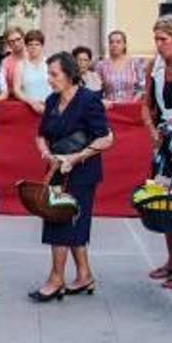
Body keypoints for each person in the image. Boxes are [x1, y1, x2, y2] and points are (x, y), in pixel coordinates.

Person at [29, 52, 113, 302]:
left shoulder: (89, 100)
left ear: (69, 74)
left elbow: (105, 138)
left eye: (54, 74)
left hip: (82, 172)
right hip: (55, 170)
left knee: (62, 221)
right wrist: (45, 153)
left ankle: (56, 279)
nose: (50, 79)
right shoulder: (52, 100)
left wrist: (75, 158)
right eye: (49, 74)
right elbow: (41, 134)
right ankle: (84, 275)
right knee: (70, 222)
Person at [141, 16, 172, 288]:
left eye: (164, 40)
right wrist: (151, 128)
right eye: (156, 39)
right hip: (165, 143)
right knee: (166, 198)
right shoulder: (153, 67)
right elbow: (146, 104)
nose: (158, 45)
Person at [95, 30, 144, 107]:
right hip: (110, 108)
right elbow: (96, 89)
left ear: (124, 44)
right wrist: (102, 101)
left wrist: (133, 102)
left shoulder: (135, 64)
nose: (114, 45)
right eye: (111, 42)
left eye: (118, 42)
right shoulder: (101, 65)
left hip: (131, 107)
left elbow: (141, 88)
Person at [13, 29, 50, 114]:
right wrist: (32, 103)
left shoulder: (50, 63)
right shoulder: (20, 65)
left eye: (37, 44)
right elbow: (17, 90)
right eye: (30, 44)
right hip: (27, 109)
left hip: (49, 108)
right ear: (26, 46)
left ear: (42, 46)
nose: (34, 47)